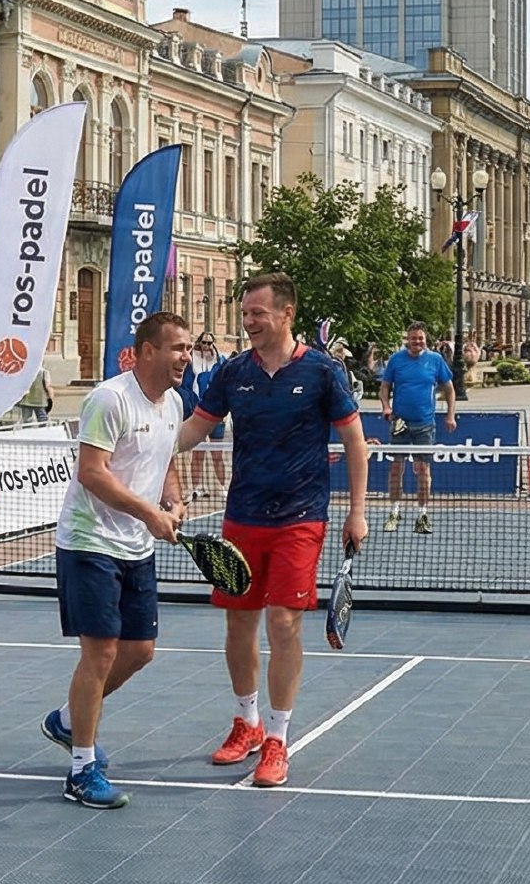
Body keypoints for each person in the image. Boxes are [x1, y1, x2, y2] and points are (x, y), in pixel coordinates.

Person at [174, 273, 367, 790]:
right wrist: (151, 449)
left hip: (301, 516)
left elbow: (355, 442)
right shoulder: (234, 372)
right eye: (245, 314)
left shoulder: (324, 372)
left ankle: (278, 739)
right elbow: (198, 426)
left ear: (287, 314)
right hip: (242, 516)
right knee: (239, 625)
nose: (249, 322)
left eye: (258, 313)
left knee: (283, 622)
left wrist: (358, 511)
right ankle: (248, 723)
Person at [43, 310, 193, 809]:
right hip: (90, 543)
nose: (185, 357)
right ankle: (82, 770)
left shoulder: (173, 403)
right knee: (101, 652)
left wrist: (173, 501)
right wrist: (149, 512)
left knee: (140, 651)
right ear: (148, 350)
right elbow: (92, 472)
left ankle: (68, 719)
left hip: (137, 546)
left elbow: (166, 462)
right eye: (177, 348)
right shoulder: (109, 399)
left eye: (188, 349)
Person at [376, 322, 455, 534]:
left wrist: (450, 415)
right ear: (407, 340)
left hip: (425, 424)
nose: (416, 342)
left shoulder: (436, 360)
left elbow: (449, 388)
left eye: (420, 338)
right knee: (396, 469)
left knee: (423, 470)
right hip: (400, 423)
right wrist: (386, 406)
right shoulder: (396, 360)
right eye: (413, 339)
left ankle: (422, 515)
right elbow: (384, 388)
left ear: (425, 339)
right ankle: (394, 512)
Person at [179, 333, 228, 500]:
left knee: (217, 454)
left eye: (209, 343)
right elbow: (184, 386)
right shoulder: (190, 363)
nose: (206, 346)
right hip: (197, 414)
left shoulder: (219, 362)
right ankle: (196, 487)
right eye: (203, 343)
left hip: (217, 415)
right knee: (198, 454)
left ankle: (222, 487)